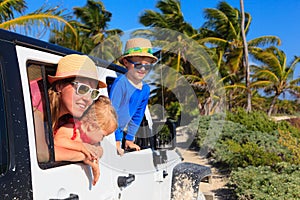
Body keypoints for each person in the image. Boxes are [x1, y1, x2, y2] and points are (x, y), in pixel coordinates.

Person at [32, 54, 107, 184]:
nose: (88, 99)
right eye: (82, 88)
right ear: (59, 86)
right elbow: (41, 154)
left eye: (93, 93)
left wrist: (89, 150)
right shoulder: (34, 100)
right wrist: (83, 154)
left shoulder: (73, 114)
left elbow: (98, 148)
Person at [53, 95, 118, 185]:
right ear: (91, 127)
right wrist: (81, 146)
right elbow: (58, 141)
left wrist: (96, 154)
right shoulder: (72, 129)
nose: (101, 140)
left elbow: (99, 149)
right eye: (102, 136)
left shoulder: (88, 140)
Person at [109, 38, 158, 154]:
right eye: (138, 64)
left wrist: (130, 139)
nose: (142, 69)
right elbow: (111, 112)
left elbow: (138, 115)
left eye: (147, 65)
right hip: (109, 130)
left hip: (119, 130)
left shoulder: (145, 89)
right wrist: (116, 139)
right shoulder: (121, 83)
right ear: (126, 62)